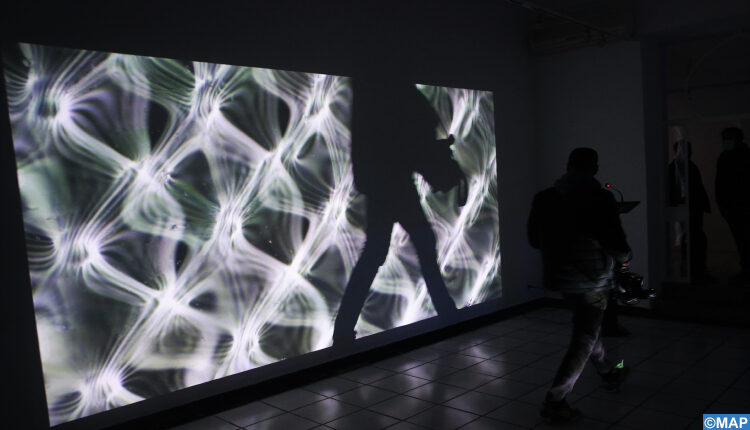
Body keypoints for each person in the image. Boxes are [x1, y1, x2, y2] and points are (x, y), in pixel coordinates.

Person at [332, 75, 458, 345]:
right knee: (414, 245)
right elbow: (407, 140)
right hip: (392, 183)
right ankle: (448, 315)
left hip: (385, 182)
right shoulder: (388, 93)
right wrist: (433, 155)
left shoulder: (374, 93)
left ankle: (342, 331)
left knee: (381, 251)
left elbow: (401, 140)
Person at [528, 147, 631, 421]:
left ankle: (610, 373)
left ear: (568, 166)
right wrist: (625, 259)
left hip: (559, 277)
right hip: (592, 279)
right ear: (594, 169)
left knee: (588, 328)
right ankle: (556, 400)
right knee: (584, 336)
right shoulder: (600, 198)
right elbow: (615, 240)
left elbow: (534, 240)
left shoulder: (545, 198)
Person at [668, 140, 712, 281]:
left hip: (691, 209)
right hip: (688, 209)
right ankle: (694, 270)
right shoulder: (683, 167)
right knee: (693, 239)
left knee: (693, 238)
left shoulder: (686, 167)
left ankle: (693, 269)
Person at [715, 127, 750, 285]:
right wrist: (724, 207)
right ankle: (746, 270)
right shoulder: (724, 157)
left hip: (743, 208)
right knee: (741, 241)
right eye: (724, 138)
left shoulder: (745, 156)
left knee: (744, 241)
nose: (725, 141)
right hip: (732, 210)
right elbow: (720, 185)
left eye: (728, 138)